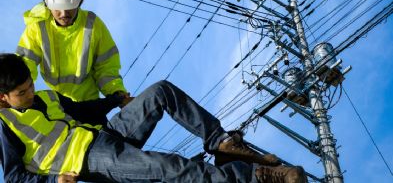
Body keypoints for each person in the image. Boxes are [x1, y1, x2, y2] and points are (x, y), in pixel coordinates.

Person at [0, 53, 307, 183]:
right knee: (169, 167)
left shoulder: (46, 97)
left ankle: (220, 143)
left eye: (31, 85)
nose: (31, 93)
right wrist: (54, 181)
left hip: (106, 133)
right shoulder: (5, 126)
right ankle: (255, 178)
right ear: (3, 97)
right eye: (23, 92)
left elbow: (83, 111)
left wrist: (117, 101)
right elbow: (13, 177)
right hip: (92, 162)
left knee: (160, 90)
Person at [16, 0, 128, 108]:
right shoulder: (37, 29)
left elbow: (106, 68)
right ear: (47, 4)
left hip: (90, 105)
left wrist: (117, 94)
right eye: (57, 8)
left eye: (69, 7)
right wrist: (13, 94)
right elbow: (24, 66)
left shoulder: (92, 25)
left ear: (80, 2)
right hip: (58, 105)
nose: (63, 14)